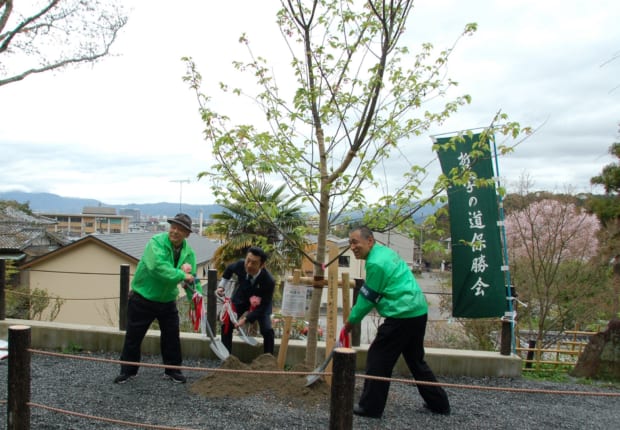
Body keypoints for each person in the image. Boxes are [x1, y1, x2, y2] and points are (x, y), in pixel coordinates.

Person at [343, 226, 450, 418]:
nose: (352, 246)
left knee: (378, 358)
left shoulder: (375, 263)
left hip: (402, 314)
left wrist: (350, 323)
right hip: (418, 310)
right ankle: (439, 403)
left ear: (370, 241)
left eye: (355, 242)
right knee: (416, 360)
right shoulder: (385, 252)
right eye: (350, 242)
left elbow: (367, 298)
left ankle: (370, 407)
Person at [114, 213, 196, 384]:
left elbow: (191, 279)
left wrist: (196, 301)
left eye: (180, 229)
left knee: (172, 336)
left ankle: (173, 370)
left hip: (167, 300)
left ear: (187, 234)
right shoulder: (156, 242)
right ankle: (128, 371)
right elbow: (157, 267)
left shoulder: (189, 253)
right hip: (143, 297)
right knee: (134, 336)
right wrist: (182, 274)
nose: (175, 231)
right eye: (173, 227)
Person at [216, 246, 275, 355]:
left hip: (261, 305)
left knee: (267, 330)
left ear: (262, 265)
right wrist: (221, 286)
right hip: (242, 297)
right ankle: (226, 357)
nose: (249, 265)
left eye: (254, 263)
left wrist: (245, 319)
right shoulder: (240, 265)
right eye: (248, 260)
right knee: (227, 322)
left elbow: (263, 307)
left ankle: (268, 359)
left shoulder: (269, 281)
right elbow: (229, 269)